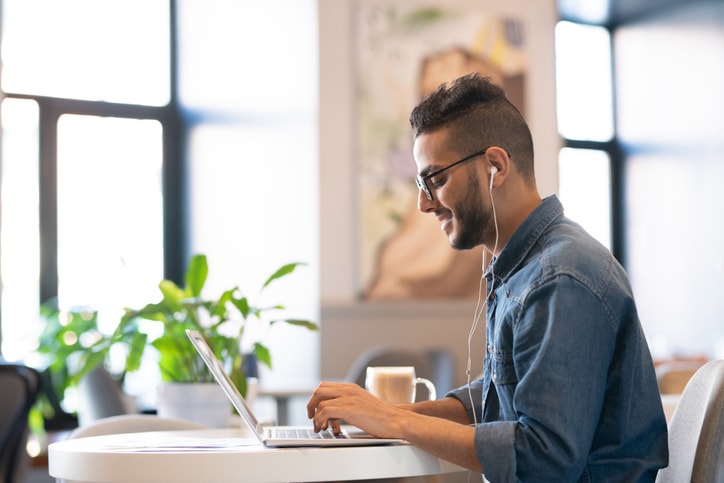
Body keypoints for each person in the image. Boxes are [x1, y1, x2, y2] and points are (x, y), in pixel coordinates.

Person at [307, 73, 669, 482]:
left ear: (495, 165)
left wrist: (397, 422)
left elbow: (544, 459)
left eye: (436, 179)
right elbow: (500, 395)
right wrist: (384, 414)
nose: (425, 204)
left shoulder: (560, 278)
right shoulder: (528, 266)